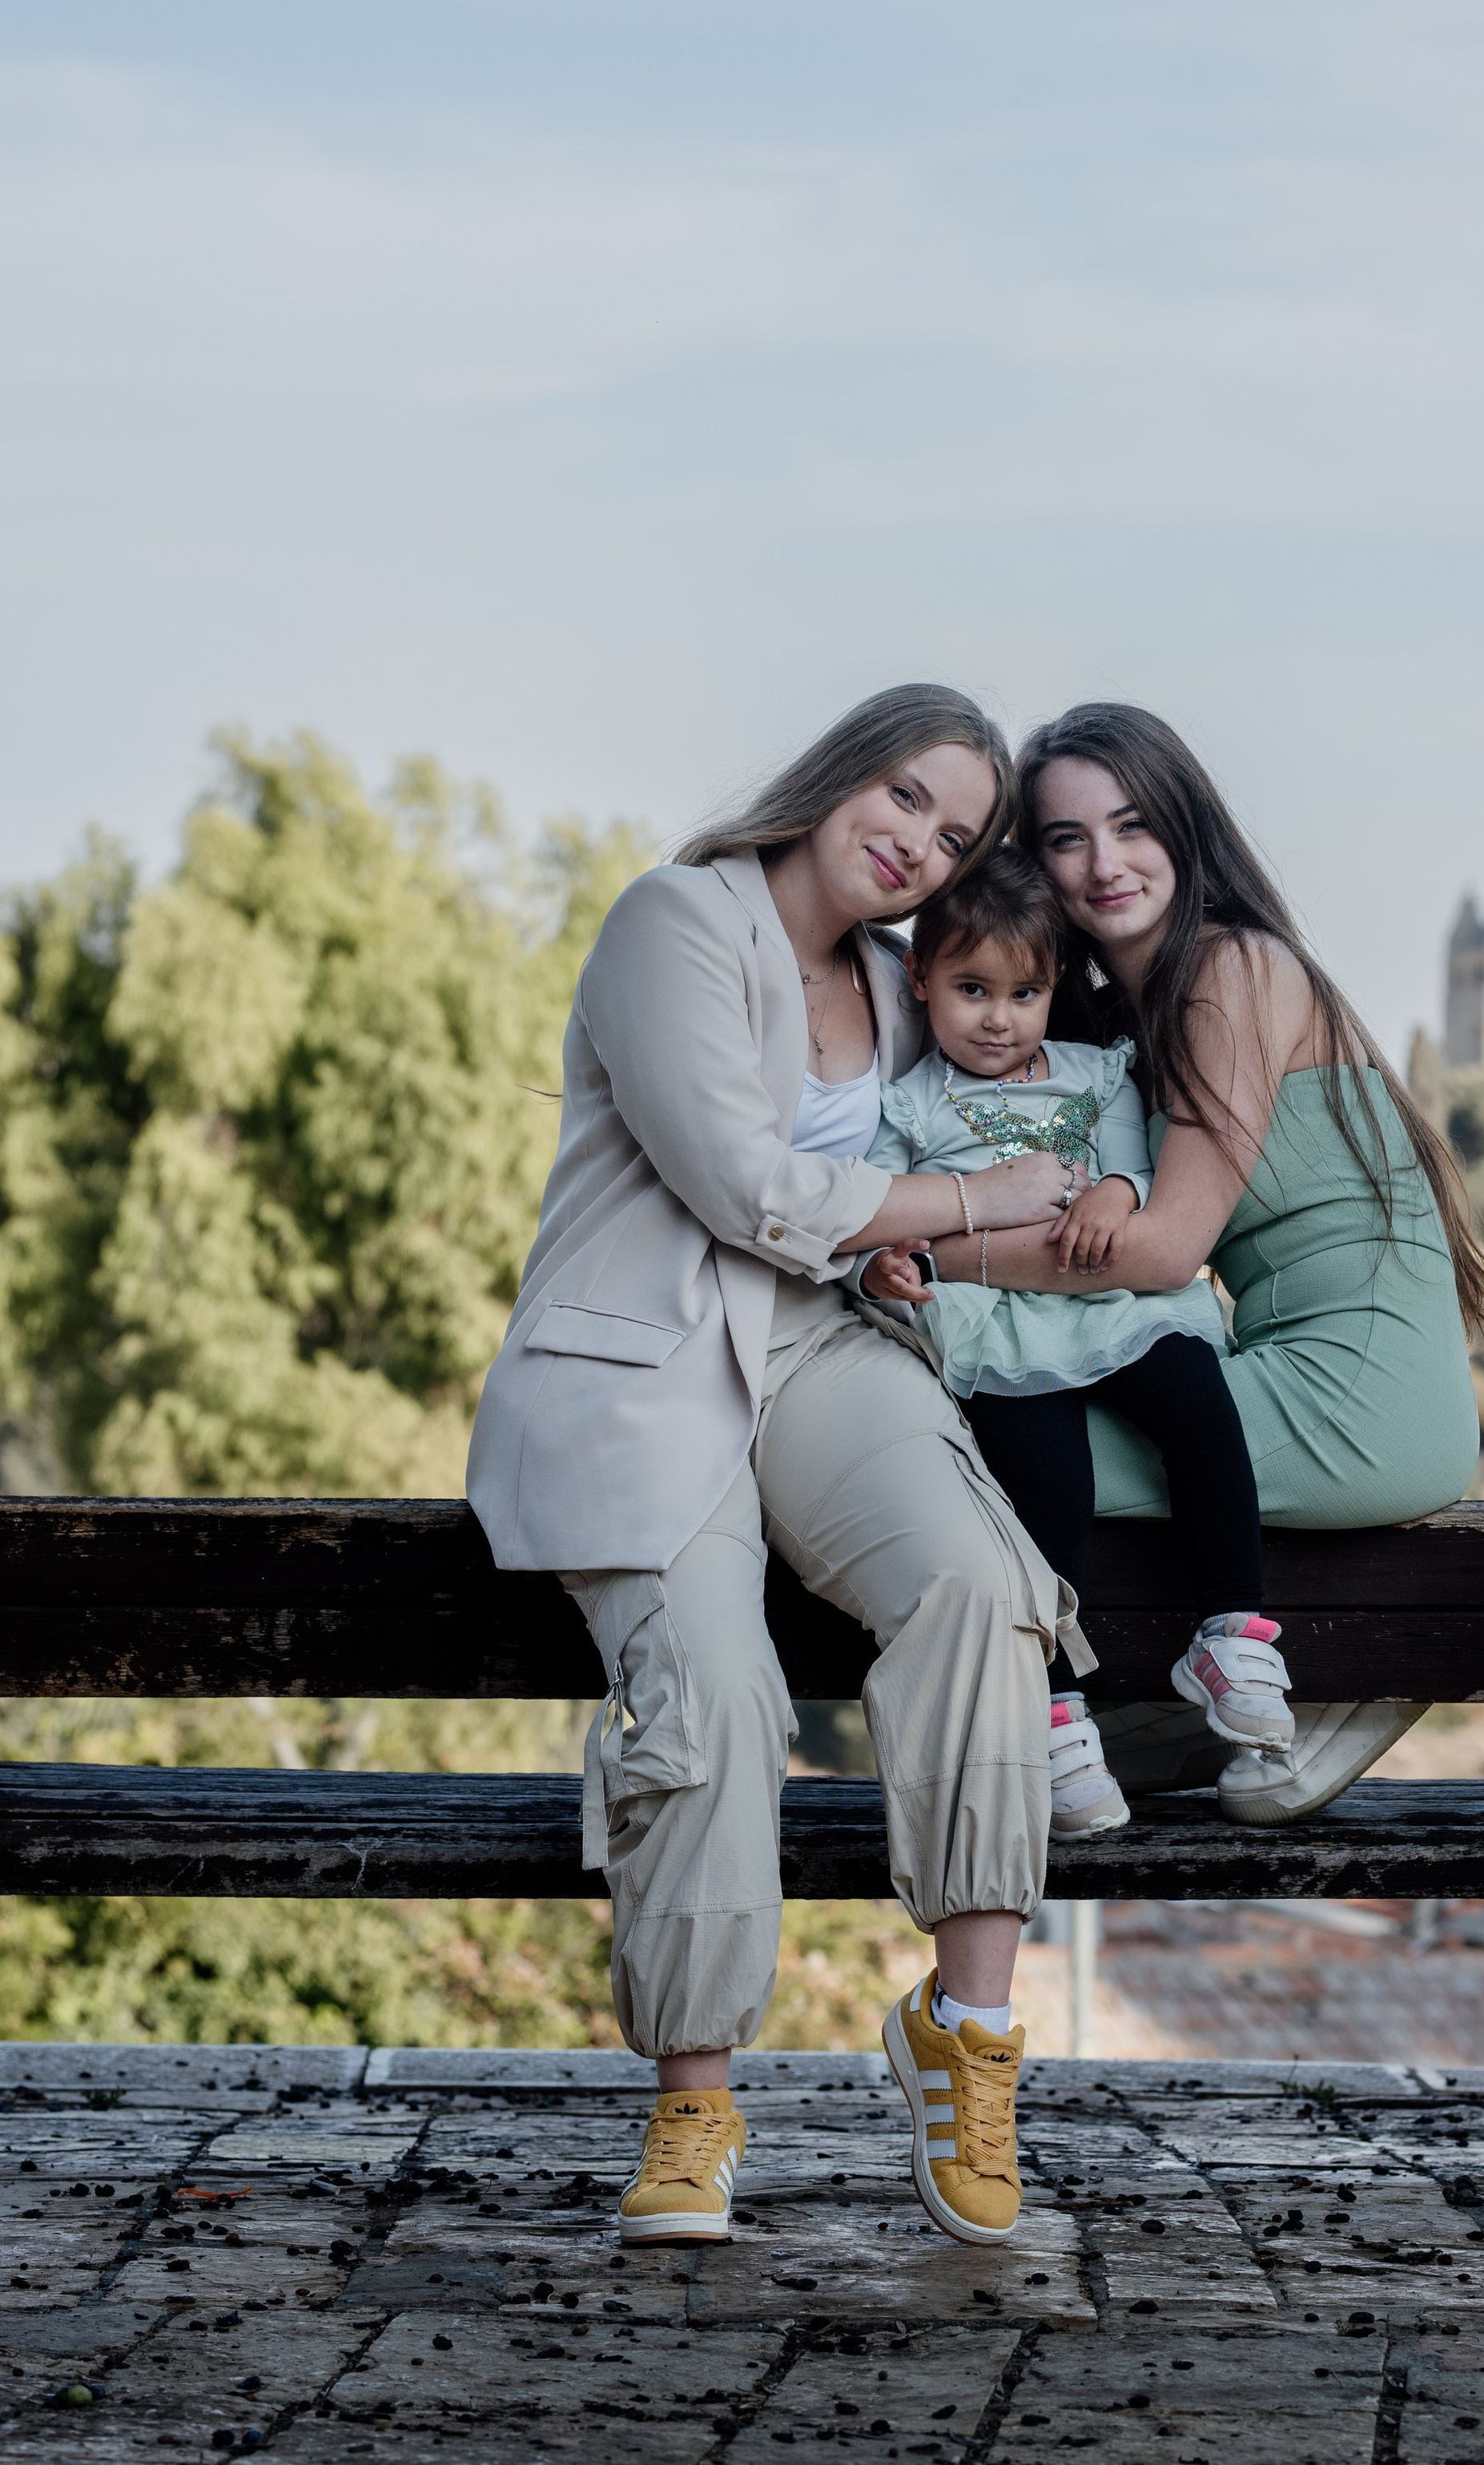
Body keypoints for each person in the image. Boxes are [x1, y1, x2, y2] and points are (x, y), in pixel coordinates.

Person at [466, 686, 1080, 2260]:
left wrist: (894, 1258)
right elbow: (737, 1177)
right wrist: (957, 1201)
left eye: (950, 834)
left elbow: (836, 1212)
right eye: (899, 796)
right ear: (833, 774)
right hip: (644, 1365)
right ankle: (693, 2099)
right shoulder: (673, 920)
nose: (913, 844)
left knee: (977, 1586)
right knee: (716, 1692)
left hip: (817, 1343)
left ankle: (971, 2031)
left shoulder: (894, 978)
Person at [919, 702, 1484, 1824]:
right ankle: (1143, 1723)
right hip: (1332, 1379)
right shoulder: (1119, 1021)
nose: (1105, 863)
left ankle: (1324, 1675)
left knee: (976, 1440)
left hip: (1360, 1396)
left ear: (1187, 828)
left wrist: (925, 1243)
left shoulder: (1227, 970)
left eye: (1134, 824)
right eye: (1065, 838)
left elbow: (1163, 1247)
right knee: (1026, 1420)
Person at [859, 844, 1293, 1840]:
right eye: (970, 989)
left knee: (1196, 1402)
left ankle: (1233, 1628)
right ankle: (1052, 1708)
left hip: (1105, 1300)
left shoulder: (1098, 1075)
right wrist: (876, 1267)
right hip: (997, 1321)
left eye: (1024, 991)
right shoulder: (909, 1104)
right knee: (1046, 1485)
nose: (998, 1017)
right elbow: (879, 1211)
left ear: (1057, 987)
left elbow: (1138, 1167)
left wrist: (1114, 1190)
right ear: (921, 980)